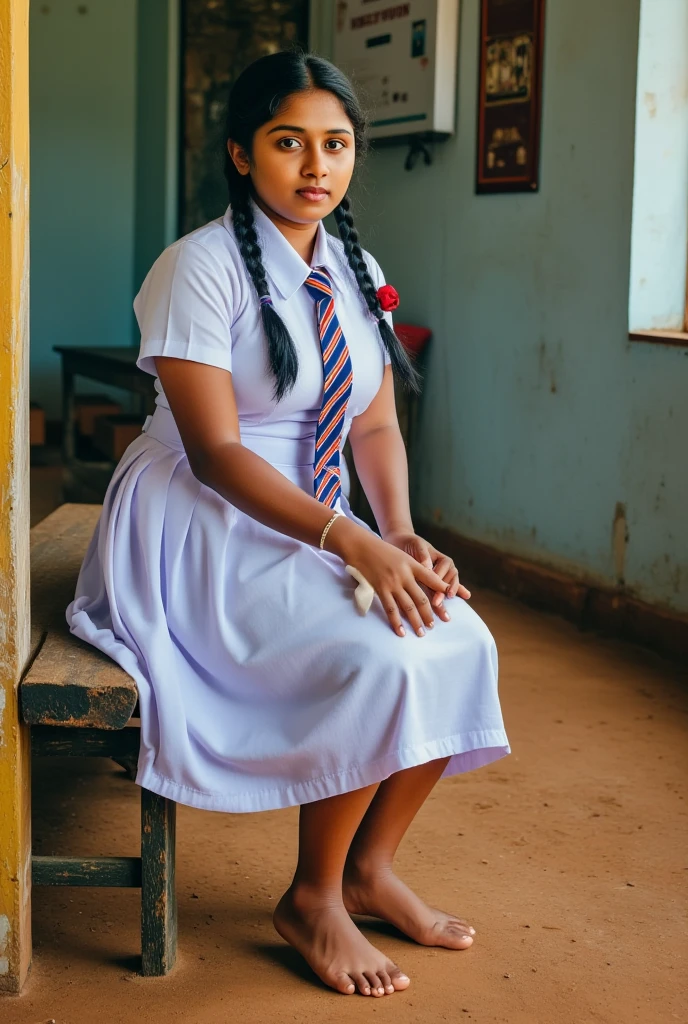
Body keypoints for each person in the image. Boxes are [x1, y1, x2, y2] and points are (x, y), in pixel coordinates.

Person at [66, 50, 510, 998]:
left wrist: (395, 527)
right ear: (241, 153)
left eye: (336, 145)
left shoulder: (356, 267)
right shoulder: (200, 266)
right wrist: (350, 539)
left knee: (460, 636)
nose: (316, 165)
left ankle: (368, 867)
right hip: (198, 516)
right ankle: (312, 897)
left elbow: (377, 420)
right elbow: (219, 453)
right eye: (288, 142)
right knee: (379, 653)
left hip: (318, 511)